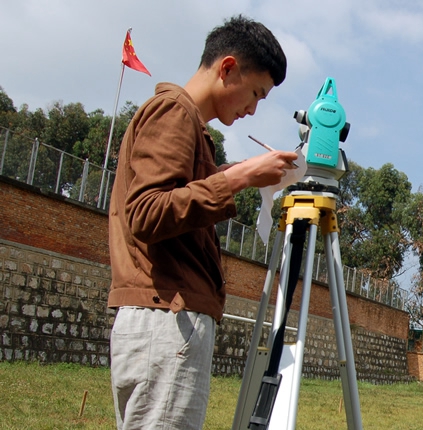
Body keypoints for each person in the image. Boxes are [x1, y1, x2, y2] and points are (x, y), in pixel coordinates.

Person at [107, 15, 297, 430]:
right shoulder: (173, 112)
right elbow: (147, 212)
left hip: (165, 318)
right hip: (166, 319)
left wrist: (234, 173)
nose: (253, 108)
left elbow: (172, 199)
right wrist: (239, 177)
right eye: (256, 93)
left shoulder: (188, 125)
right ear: (228, 68)